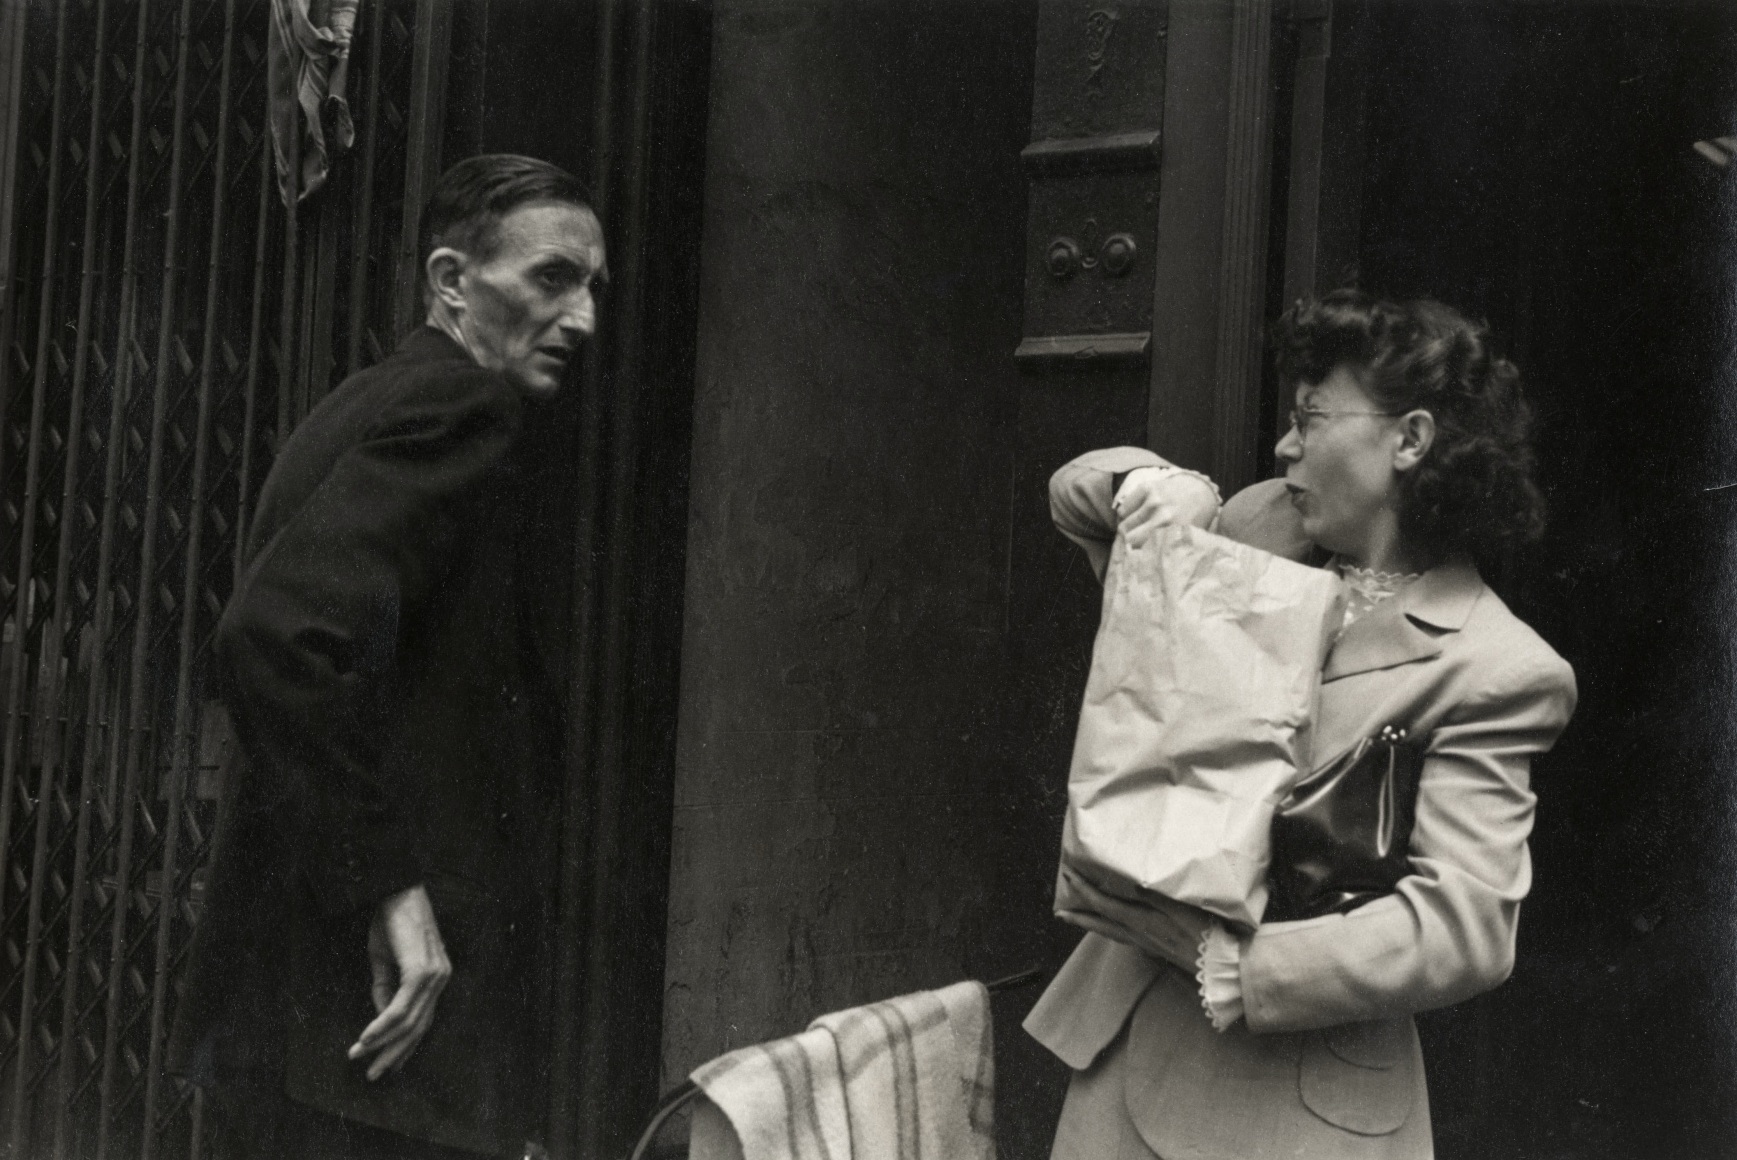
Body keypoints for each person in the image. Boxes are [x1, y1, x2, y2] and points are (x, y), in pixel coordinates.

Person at [1026, 289, 1578, 1160]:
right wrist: (1160, 487)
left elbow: (1465, 927)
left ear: (1409, 440)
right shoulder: (1255, 525)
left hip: (1291, 1114)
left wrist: (1245, 972)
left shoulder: (1493, 666)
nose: (1285, 445)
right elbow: (1075, 496)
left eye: (1310, 419)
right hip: (1126, 1055)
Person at [167, 154, 608, 1160]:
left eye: (592, 286)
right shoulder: (465, 407)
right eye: (551, 278)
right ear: (451, 280)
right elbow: (273, 638)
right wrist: (391, 889)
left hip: (298, 1015)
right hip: (381, 1023)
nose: (584, 318)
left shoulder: (371, 398)